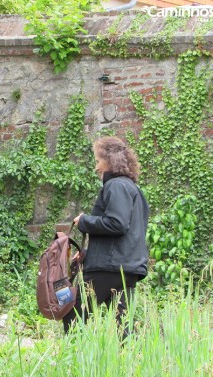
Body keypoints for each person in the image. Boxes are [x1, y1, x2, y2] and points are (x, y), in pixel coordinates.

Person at [63, 136, 150, 335]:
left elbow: (116, 224)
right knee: (123, 327)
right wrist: (87, 252)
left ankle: (73, 360)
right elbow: (126, 234)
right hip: (127, 269)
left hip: (108, 267)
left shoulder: (116, 186)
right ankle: (129, 364)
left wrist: (84, 221)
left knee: (74, 314)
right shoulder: (134, 190)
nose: (97, 167)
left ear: (109, 160)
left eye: (98, 160)